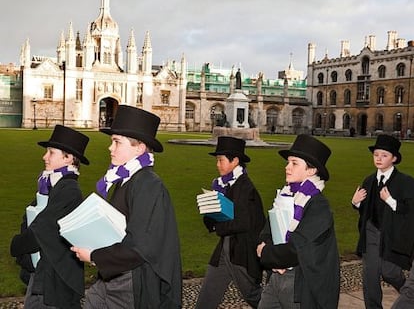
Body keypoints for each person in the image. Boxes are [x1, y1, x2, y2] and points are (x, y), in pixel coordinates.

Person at [71, 105, 182, 308]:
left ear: (138, 148)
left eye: (116, 142)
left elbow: (140, 246)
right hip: (113, 273)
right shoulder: (126, 179)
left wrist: (94, 256)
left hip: (131, 281)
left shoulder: (148, 184)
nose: (110, 148)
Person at [10, 125, 90, 308]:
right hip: (44, 274)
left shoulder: (69, 190)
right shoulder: (51, 185)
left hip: (55, 281)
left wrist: (15, 246)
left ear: (68, 158)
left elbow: (42, 230)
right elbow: (29, 219)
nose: (44, 157)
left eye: (51, 152)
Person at [256, 134, 340, 309]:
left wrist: (268, 254)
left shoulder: (318, 205)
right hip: (276, 277)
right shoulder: (285, 195)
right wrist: (272, 256)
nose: (287, 167)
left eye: (294, 163)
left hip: (300, 283)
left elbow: (298, 248)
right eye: (288, 162)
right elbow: (267, 229)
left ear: (311, 170)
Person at [195, 136, 266, 309]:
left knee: (254, 296)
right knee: (208, 295)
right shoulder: (222, 185)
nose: (217, 164)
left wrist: (215, 226)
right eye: (217, 160)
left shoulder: (246, 187)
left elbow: (243, 224)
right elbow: (220, 216)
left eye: (221, 160)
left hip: (242, 252)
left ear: (235, 160)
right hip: (224, 250)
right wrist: (209, 211)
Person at [351, 134, 414, 309]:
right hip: (371, 234)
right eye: (376, 154)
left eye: (384, 155)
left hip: (392, 235)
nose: (378, 158)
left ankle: (410, 294)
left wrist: (391, 201)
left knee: (389, 271)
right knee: (370, 278)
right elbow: (365, 210)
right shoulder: (369, 180)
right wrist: (355, 202)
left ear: (394, 158)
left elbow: (410, 211)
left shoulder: (406, 182)